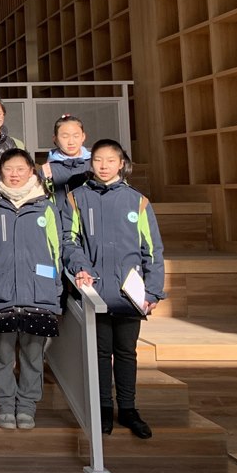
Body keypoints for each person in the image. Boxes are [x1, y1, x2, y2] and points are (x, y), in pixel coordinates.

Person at [64, 139, 165, 440]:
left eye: (111, 160)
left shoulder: (138, 201)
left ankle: (129, 409)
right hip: (95, 292)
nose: (104, 166)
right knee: (99, 351)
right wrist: (81, 267)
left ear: (122, 164)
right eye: (98, 160)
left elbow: (152, 250)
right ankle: (103, 408)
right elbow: (69, 241)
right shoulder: (76, 198)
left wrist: (153, 291)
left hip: (129, 295)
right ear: (90, 162)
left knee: (126, 352)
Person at [0, 149, 63, 430]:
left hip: (38, 294)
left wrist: (55, 293)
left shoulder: (46, 207)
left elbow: (57, 253)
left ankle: (28, 406)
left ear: (32, 171)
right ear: (0, 172)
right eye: (9, 168)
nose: (15, 174)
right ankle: (5, 405)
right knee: (2, 355)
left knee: (33, 355)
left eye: (21, 168)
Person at [43, 114, 91, 221]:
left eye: (76, 136)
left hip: (90, 223)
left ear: (83, 137)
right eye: (65, 137)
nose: (71, 142)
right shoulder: (47, 170)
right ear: (55, 139)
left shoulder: (94, 165)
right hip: (60, 223)